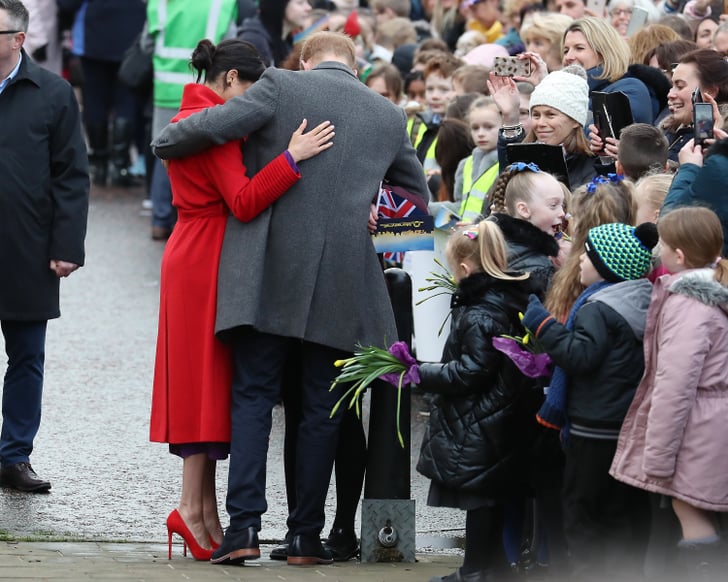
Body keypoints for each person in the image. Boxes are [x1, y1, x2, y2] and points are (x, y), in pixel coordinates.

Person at [152, 31, 428, 566]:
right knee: (322, 410)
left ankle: (244, 531)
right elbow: (414, 214)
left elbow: (192, 134)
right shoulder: (390, 116)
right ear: (357, 65)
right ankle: (305, 537)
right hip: (342, 280)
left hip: (266, 275)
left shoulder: (279, 86)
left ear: (304, 61)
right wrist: (376, 219)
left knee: (254, 397)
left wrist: (170, 137)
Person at [149, 38, 334, 561]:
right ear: (231, 80)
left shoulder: (193, 113)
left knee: (204, 383)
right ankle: (191, 508)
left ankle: (200, 508)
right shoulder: (218, 126)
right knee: (206, 384)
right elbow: (245, 200)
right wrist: (291, 158)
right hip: (208, 255)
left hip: (196, 249)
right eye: (254, 90)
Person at [523, 217, 659, 581]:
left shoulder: (599, 308)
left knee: (583, 514)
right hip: (625, 428)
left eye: (588, 255)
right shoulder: (641, 300)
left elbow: (580, 357)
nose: (579, 260)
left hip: (593, 429)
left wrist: (541, 323)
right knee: (621, 515)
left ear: (606, 265)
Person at [610, 206, 728, 579]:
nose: (656, 252)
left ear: (679, 255)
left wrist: (657, 459)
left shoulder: (689, 304)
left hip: (699, 427)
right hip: (713, 422)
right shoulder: (715, 290)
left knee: (690, 514)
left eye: (662, 245)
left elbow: (674, 385)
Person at [0, 0, 89, 493]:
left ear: (18, 38)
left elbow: (72, 176)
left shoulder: (52, 93)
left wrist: (67, 245)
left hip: (26, 247)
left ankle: (13, 456)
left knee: (27, 357)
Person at [416, 219, 533, 582]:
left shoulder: (479, 312)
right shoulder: (506, 301)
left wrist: (422, 372)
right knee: (490, 498)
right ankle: (493, 568)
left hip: (481, 419)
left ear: (465, 269)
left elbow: (472, 370)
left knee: (479, 500)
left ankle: (476, 570)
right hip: (499, 415)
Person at [489, 65, 597, 189]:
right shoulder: (525, 159)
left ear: (575, 121)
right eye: (535, 115)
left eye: (550, 115)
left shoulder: (593, 163)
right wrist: (510, 116)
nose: (540, 123)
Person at [453, 96, 501, 222]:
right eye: (475, 128)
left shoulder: (506, 163)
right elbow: (460, 205)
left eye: (488, 127)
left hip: (489, 235)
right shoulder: (466, 164)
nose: (480, 133)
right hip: (466, 236)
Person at [238, 0, 312, 68]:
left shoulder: (284, 38)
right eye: (300, 3)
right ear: (279, 5)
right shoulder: (255, 40)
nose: (309, 8)